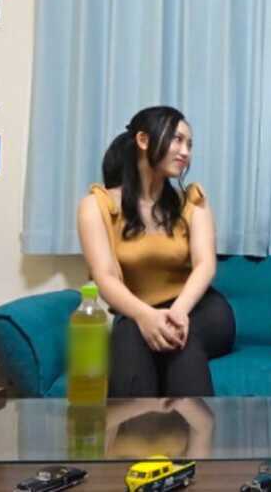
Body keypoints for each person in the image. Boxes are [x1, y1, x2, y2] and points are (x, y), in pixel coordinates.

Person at [77, 106, 235, 398]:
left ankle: (194, 432)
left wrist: (178, 312)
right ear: (143, 140)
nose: (185, 152)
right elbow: (104, 275)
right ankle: (141, 430)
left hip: (199, 309)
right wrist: (145, 316)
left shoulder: (192, 202)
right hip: (136, 311)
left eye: (190, 144)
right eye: (177, 140)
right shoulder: (97, 206)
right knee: (130, 337)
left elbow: (205, 265)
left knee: (181, 336)